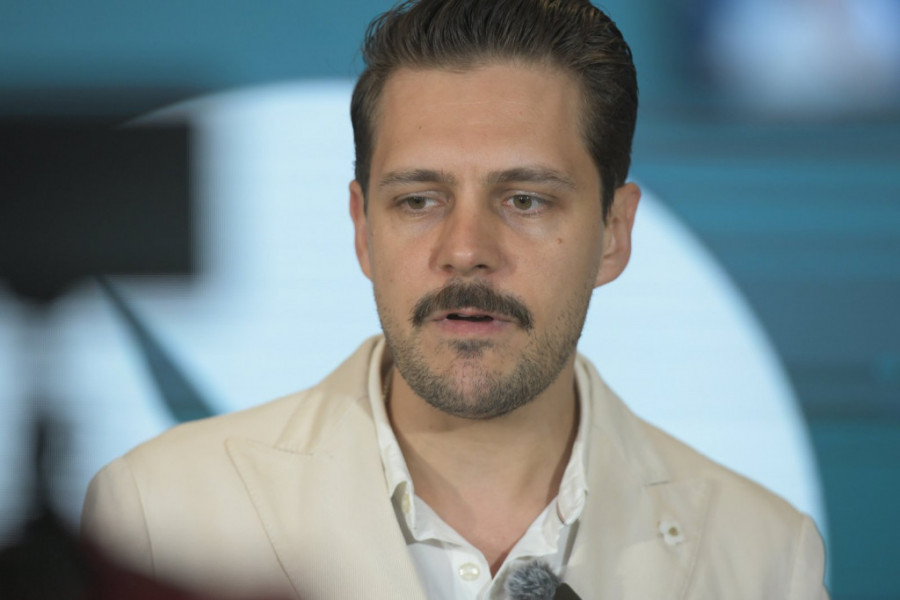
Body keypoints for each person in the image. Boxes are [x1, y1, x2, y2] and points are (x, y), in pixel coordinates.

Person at [81, 1, 830, 598]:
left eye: (526, 199)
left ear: (614, 233)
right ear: (362, 230)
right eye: (419, 200)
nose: (466, 249)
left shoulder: (764, 556)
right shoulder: (154, 515)